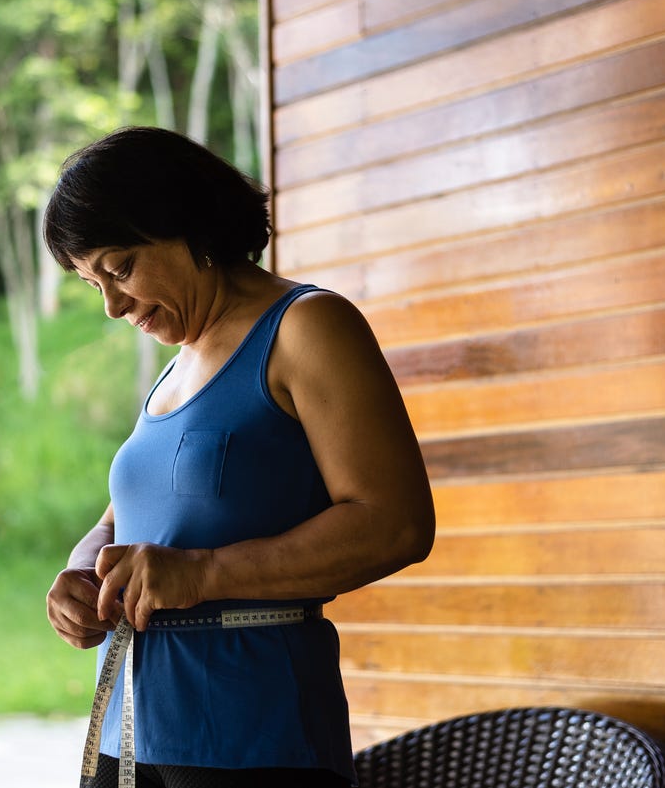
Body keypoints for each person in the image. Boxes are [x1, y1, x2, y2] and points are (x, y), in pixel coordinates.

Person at [43, 126, 435, 788]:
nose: (111, 304)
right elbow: (128, 518)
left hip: (251, 734)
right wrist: (83, 571)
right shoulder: (176, 369)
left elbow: (395, 522)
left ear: (186, 223)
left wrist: (201, 573)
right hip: (130, 724)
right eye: (92, 283)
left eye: (119, 268)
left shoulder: (307, 327)